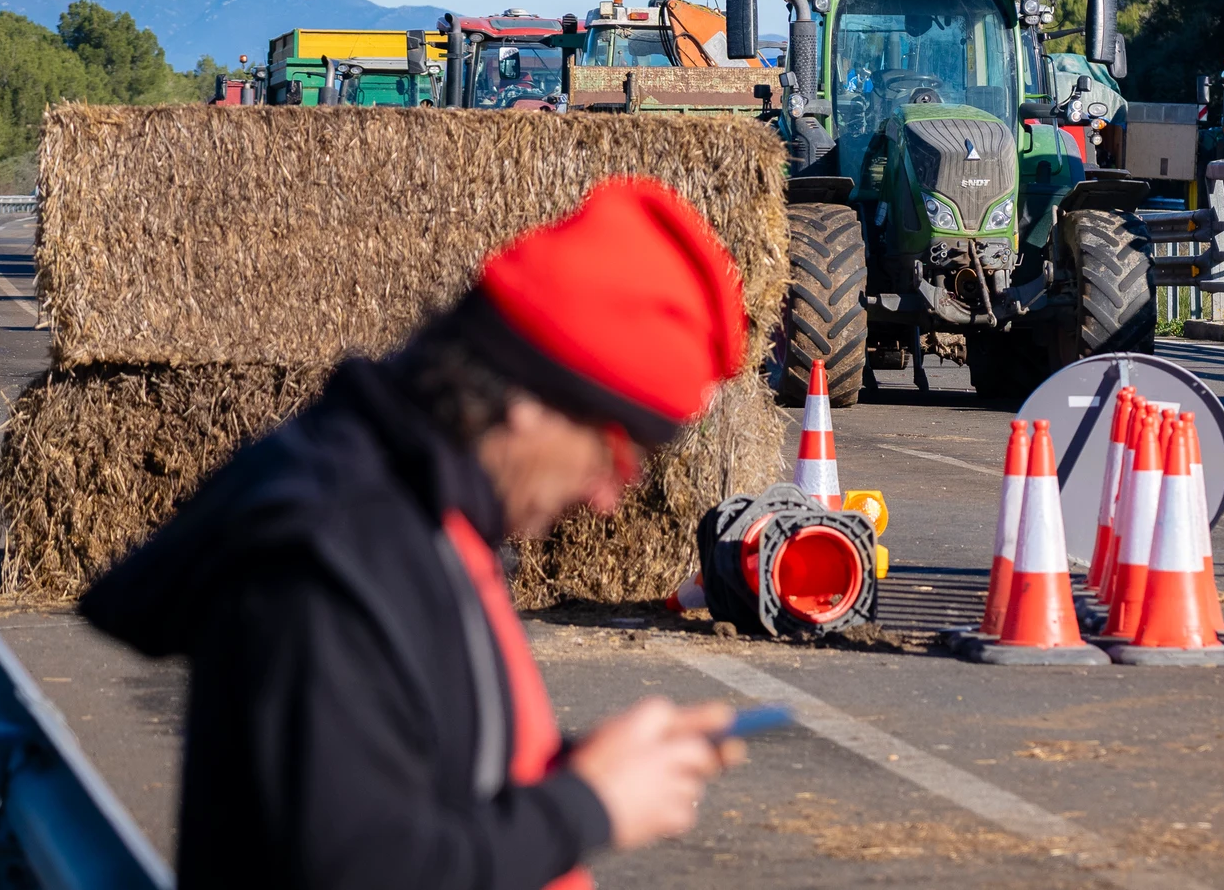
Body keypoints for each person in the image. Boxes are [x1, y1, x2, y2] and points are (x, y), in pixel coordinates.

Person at [80, 177, 751, 889]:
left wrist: (585, 767)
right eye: (617, 456)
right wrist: (588, 805)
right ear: (533, 403)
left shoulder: (420, 509)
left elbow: (404, 768)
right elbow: (362, 865)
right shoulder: (332, 555)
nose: (608, 497)